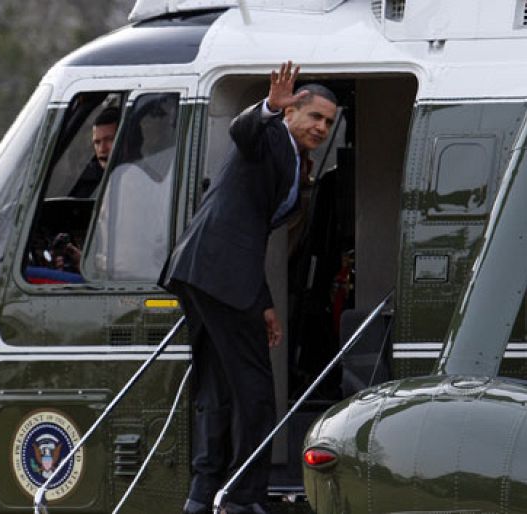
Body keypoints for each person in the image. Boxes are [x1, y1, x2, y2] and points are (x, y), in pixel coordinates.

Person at [158, 62, 337, 514]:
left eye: (329, 122)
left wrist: (265, 304)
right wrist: (266, 109)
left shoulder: (296, 159)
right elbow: (244, 133)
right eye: (314, 116)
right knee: (256, 391)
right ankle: (243, 496)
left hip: (208, 271)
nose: (321, 127)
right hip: (219, 272)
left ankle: (204, 491)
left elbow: (249, 232)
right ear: (291, 112)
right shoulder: (271, 136)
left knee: (217, 386)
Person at [68, 106, 120, 198]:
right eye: (97, 142)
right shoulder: (87, 184)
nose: (102, 149)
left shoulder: (139, 178)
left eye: (109, 139)